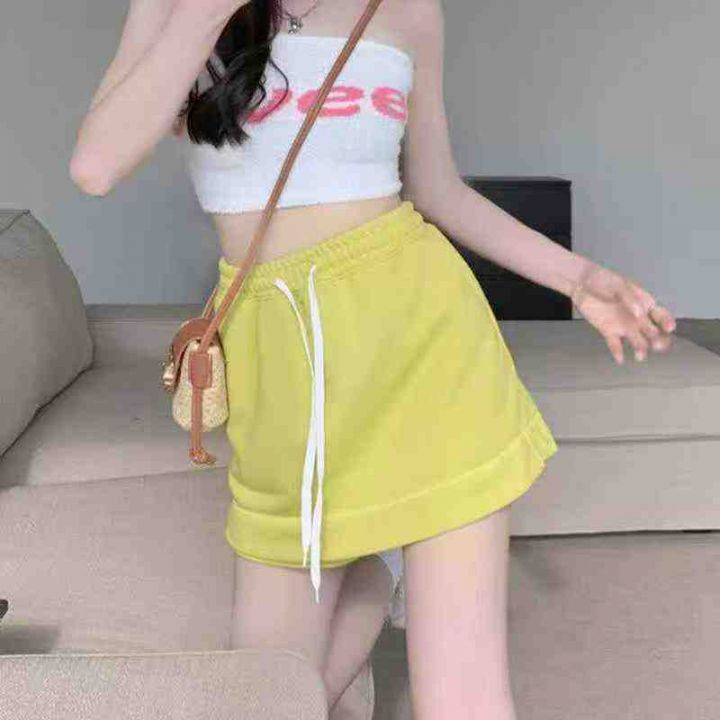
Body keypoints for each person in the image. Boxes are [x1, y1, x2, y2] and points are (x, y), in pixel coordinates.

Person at [69, 0, 677, 717]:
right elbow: (96, 167)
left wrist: (578, 279)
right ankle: (379, 568)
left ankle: (387, 551)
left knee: (464, 698)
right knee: (267, 697)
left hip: (426, 346)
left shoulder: (410, 10)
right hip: (283, 374)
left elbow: (438, 189)